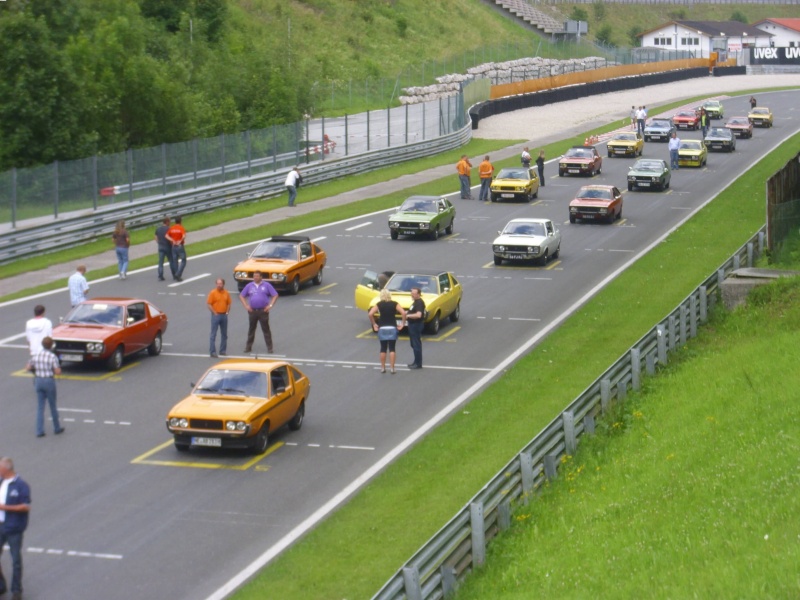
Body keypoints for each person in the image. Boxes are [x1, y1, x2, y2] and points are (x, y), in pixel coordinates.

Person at [0, 457, 31, 600]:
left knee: (15, 559)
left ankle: (16, 589)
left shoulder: (21, 485)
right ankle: (1, 585)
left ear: (6, 469)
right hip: (0, 525)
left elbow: (25, 506)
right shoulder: (1, 483)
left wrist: (5, 507)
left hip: (13, 528)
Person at [26, 337, 64, 438]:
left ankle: (39, 430)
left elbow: (28, 367)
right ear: (51, 345)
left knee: (40, 407)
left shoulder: (36, 355)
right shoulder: (52, 357)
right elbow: (57, 371)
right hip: (48, 381)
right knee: (52, 406)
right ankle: (57, 428)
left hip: (38, 381)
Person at [368, 288, 406, 374]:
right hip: (392, 327)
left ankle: (382, 367)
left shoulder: (379, 304)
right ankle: (392, 368)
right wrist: (403, 324)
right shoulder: (394, 304)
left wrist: (374, 324)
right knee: (392, 348)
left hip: (382, 327)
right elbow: (403, 313)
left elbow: (370, 314)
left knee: (383, 348)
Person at [239, 271, 278, 354]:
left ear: (261, 277)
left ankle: (270, 348)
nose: (255, 277)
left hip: (263, 311)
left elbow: (275, 295)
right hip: (253, 311)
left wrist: (270, 305)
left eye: (257, 276)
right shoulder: (249, 286)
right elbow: (242, 295)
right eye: (254, 276)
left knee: (266, 329)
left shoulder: (266, 285)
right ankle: (248, 347)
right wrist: (246, 306)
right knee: (251, 329)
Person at [207, 278, 231, 358]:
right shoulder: (213, 292)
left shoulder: (226, 293)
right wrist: (214, 313)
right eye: (217, 283)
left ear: (223, 284)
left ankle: (222, 351)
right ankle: (212, 352)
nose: (219, 285)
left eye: (220, 284)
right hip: (216, 315)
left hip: (224, 315)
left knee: (224, 334)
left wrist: (227, 312)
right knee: (213, 334)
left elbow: (228, 303)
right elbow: (209, 304)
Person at [406, 287, 425, 370]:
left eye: (414, 294)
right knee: (413, 344)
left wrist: (408, 315)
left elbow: (418, 315)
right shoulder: (415, 302)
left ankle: (418, 363)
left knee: (416, 344)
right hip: (412, 325)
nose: (412, 295)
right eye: (412, 293)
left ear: (418, 294)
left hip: (416, 325)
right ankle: (416, 361)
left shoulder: (419, 303)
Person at [166, 215, 187, 281]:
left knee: (175, 261)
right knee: (183, 260)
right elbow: (184, 236)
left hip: (173, 246)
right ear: (180, 221)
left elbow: (166, 235)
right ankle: (178, 274)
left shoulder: (172, 228)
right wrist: (180, 241)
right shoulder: (181, 228)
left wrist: (172, 240)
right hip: (179, 246)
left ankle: (176, 275)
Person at [154, 216, 176, 281]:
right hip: (168, 247)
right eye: (169, 221)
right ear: (167, 222)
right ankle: (174, 275)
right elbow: (171, 238)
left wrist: (159, 243)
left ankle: (160, 275)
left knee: (161, 262)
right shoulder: (169, 229)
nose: (170, 222)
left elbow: (155, 238)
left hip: (160, 247)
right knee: (171, 261)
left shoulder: (158, 229)